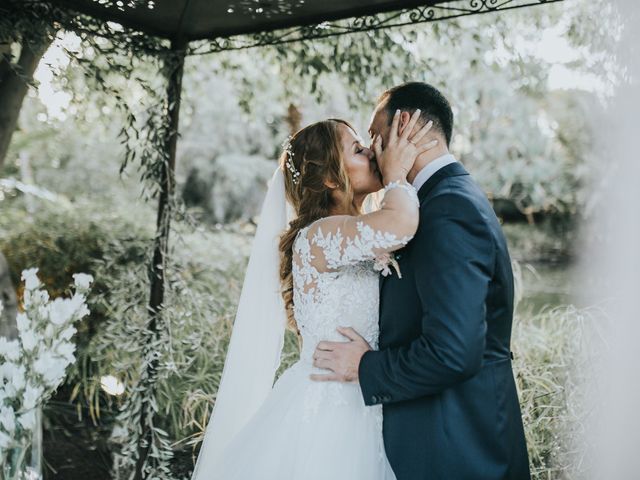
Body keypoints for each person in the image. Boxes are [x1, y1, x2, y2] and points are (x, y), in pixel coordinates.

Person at [190, 110, 436, 479]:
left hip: (363, 392)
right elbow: (400, 224)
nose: (371, 151)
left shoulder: (349, 233)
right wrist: (398, 175)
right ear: (328, 178)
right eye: (357, 150)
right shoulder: (319, 236)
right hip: (330, 409)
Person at [312, 82, 531, 480]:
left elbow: (453, 351)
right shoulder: (430, 202)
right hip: (434, 436)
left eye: (375, 136)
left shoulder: (449, 208)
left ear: (405, 127)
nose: (373, 150)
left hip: (459, 445)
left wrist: (366, 367)